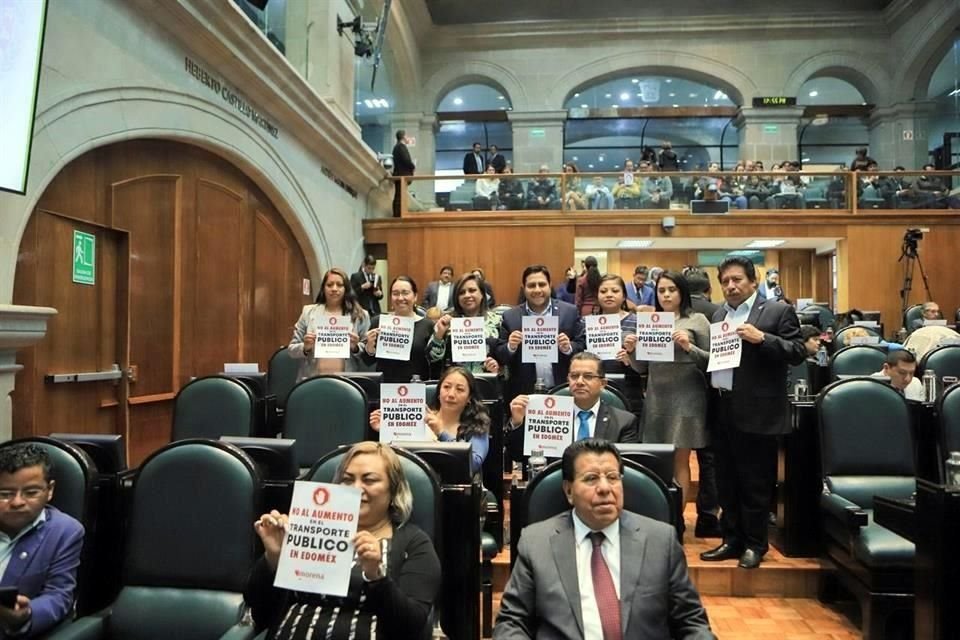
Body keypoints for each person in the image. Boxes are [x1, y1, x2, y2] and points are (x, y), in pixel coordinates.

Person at [493, 439, 713, 640]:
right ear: (569, 491)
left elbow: (691, 623)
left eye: (612, 477)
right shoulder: (536, 543)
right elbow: (511, 623)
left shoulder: (660, 541)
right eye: (591, 479)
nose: (605, 488)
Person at [245, 442, 441, 640]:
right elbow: (259, 609)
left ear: (393, 491)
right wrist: (274, 559)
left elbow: (412, 626)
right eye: (347, 480)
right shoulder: (306, 531)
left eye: (369, 480)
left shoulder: (414, 543)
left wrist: (377, 577)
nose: (356, 488)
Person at [700, 257, 806, 569]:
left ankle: (755, 544)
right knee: (726, 480)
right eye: (725, 281)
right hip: (722, 406)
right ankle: (731, 540)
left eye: (737, 280)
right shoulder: (720, 313)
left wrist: (763, 339)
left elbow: (798, 351)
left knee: (755, 483)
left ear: (753, 281)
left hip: (758, 411)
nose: (731, 286)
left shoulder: (776, 311)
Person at [626, 271, 711, 511]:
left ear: (682, 291)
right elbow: (642, 367)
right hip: (656, 396)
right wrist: (632, 351)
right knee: (657, 458)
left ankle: (678, 518)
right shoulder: (652, 321)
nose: (666, 295)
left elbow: (711, 362)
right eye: (661, 290)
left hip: (687, 396)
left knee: (680, 459)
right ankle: (660, 512)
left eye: (671, 289)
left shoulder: (698, 320)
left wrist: (689, 346)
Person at [0, 443, 84, 638]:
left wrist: (27, 614)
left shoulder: (64, 531)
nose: (17, 502)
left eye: (31, 493)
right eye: (5, 494)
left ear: (50, 490)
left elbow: (59, 595)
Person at [505, 352, 639, 463]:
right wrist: (518, 423)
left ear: (602, 383)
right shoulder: (546, 416)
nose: (580, 382)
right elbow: (518, 456)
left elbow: (626, 469)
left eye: (588, 376)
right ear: (568, 380)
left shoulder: (624, 422)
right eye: (574, 376)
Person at [371, 366, 491, 476]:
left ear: (469, 398)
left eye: (459, 390)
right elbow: (394, 458)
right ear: (439, 392)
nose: (451, 394)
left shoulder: (478, 425)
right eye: (446, 387)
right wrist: (385, 430)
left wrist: (441, 433)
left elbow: (473, 464)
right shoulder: (418, 417)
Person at [495, 265, 585, 402]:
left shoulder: (569, 312)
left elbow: (582, 346)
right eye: (531, 285)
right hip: (524, 393)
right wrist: (510, 346)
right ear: (523, 288)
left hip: (564, 390)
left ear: (550, 285)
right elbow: (500, 355)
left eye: (542, 284)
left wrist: (568, 347)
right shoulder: (510, 316)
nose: (537, 290)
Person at [681, 266, 722, 537]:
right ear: (708, 289)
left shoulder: (676, 316)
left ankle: (676, 516)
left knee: (678, 458)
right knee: (709, 459)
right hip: (713, 391)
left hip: (682, 392)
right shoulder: (719, 313)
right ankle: (707, 518)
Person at [288, 267, 371, 380]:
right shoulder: (308, 312)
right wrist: (305, 347)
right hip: (312, 380)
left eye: (339, 285)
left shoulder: (361, 315)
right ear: (323, 288)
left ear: (346, 288)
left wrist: (355, 347)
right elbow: (291, 350)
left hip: (347, 382)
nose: (334, 289)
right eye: (330, 284)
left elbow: (368, 353)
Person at [362, 276, 444, 382]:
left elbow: (435, 364)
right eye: (395, 293)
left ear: (415, 296)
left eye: (405, 293)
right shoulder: (378, 322)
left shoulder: (427, 325)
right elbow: (367, 362)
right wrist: (369, 348)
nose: (400, 298)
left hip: (417, 389)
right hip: (386, 389)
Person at [592, 274, 645, 413]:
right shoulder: (586, 323)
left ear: (624, 296)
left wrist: (631, 358)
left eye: (615, 291)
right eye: (603, 291)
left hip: (629, 388)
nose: (609, 295)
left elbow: (646, 364)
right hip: (595, 388)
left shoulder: (638, 322)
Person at [432, 272, 502, 375]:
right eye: (462, 292)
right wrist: (439, 336)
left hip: (487, 382)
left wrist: (498, 368)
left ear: (482, 294)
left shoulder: (497, 321)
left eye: (472, 290)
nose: (467, 295)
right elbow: (431, 359)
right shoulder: (446, 321)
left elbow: (507, 361)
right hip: (454, 383)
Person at [391, 129, 415, 218]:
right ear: (403, 136)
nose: (407, 137)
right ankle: (399, 214)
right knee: (400, 195)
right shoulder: (401, 147)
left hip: (399, 173)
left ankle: (399, 213)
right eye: (406, 136)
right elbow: (406, 160)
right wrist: (413, 166)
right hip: (402, 174)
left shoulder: (396, 147)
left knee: (399, 194)